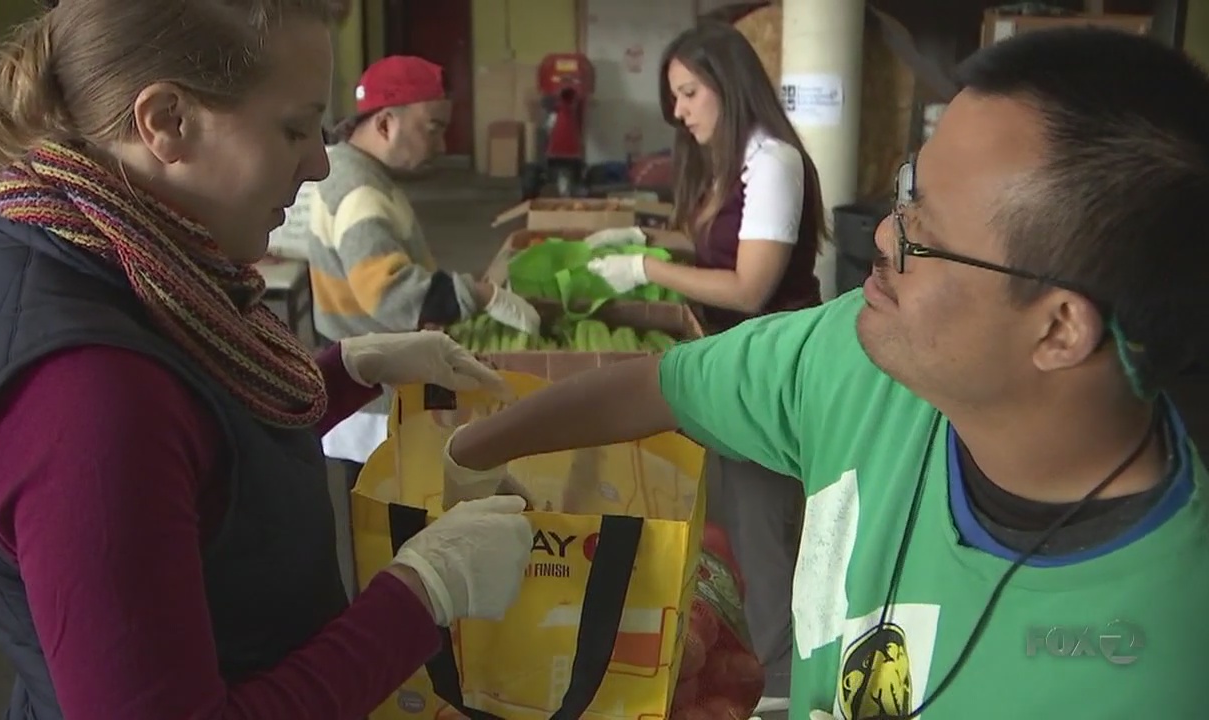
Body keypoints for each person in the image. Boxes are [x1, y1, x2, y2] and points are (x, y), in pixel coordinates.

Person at [441, 27, 1209, 719]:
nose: (882, 236)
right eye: (905, 195)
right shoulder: (855, 355)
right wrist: (462, 463)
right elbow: (658, 385)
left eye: (924, 236)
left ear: (1060, 329)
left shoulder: (1154, 671)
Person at [0, 2, 534, 719]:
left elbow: (196, 460)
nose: (320, 164)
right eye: (294, 129)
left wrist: (345, 372)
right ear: (167, 122)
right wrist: (422, 594)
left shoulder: (118, 260)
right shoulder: (84, 395)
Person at [585, 21, 825, 706]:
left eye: (690, 93)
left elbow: (749, 286)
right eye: (676, 96)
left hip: (770, 369)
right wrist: (642, 236)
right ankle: (757, 665)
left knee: (764, 526)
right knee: (738, 521)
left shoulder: (774, 160)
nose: (679, 110)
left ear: (730, 85)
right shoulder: (731, 158)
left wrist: (646, 268)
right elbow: (717, 246)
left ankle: (782, 685)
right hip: (728, 362)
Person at [295, 54, 540, 475]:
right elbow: (391, 295)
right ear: (386, 124)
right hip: (374, 400)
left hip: (366, 381)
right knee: (388, 504)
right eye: (433, 128)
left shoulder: (357, 173)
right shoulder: (359, 192)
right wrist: (482, 295)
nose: (442, 146)